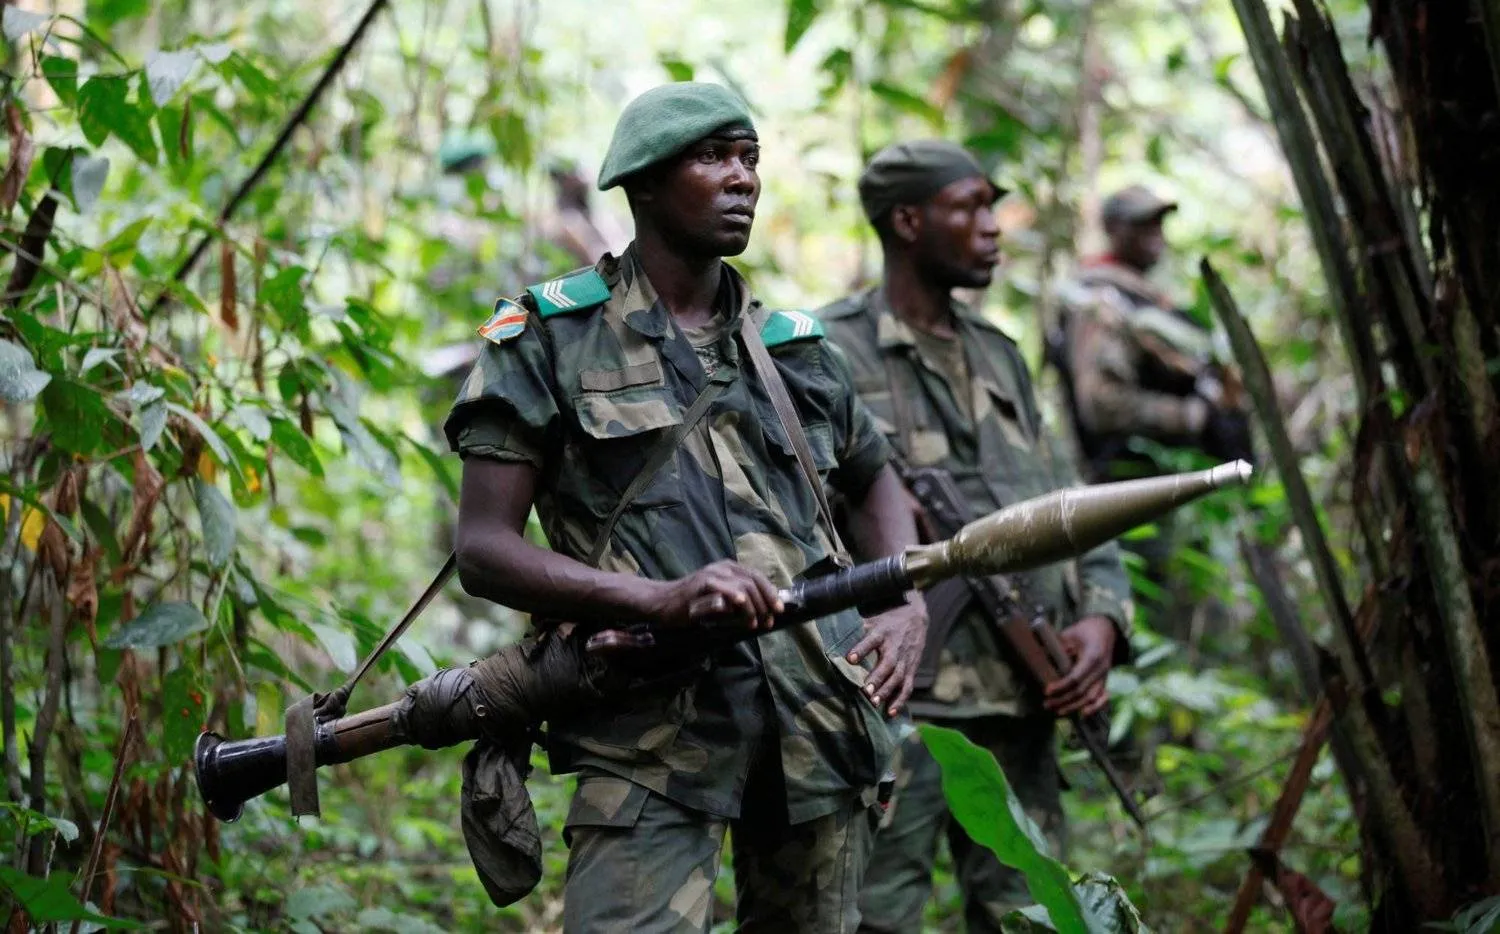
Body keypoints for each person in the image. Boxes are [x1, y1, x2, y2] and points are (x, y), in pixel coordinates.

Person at [443, 82, 929, 933]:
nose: (742, 178)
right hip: (648, 740)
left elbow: (876, 474)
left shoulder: (797, 352)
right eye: (713, 158)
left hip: (815, 725)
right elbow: (484, 549)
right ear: (642, 184)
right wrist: (657, 599)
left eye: (750, 158)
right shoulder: (547, 337)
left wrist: (905, 601)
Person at [817, 140, 1133, 931]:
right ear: (908, 221)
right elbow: (781, 520)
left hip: (1021, 704)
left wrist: (1101, 618)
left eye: (993, 207)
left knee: (1030, 917)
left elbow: (1070, 502)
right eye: (971, 207)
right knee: (875, 920)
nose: (992, 227)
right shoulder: (824, 349)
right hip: (891, 711)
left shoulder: (1001, 357)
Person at [1053, 185, 1252, 629]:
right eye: (1141, 224)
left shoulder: (1143, 298)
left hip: (1166, 489)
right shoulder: (1100, 301)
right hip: (1124, 490)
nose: (1155, 233)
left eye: (1159, 222)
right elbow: (1102, 405)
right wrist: (1196, 419)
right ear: (1112, 229)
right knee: (1145, 618)